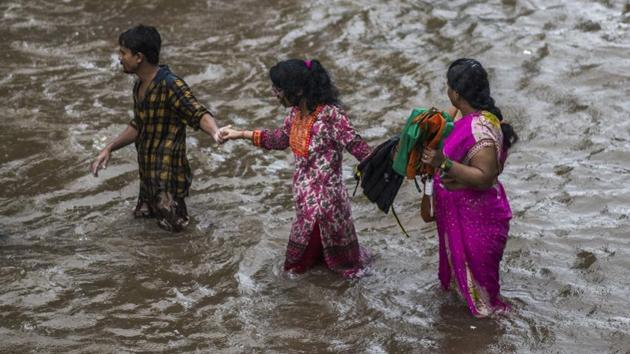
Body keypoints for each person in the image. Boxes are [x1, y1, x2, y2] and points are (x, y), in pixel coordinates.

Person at [220, 59, 372, 278]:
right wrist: (241, 134)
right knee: (329, 268)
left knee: (296, 271)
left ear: (298, 90)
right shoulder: (295, 114)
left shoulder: (330, 115)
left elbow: (358, 147)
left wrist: (384, 167)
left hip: (323, 207)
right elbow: (281, 138)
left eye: (278, 89)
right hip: (305, 203)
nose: (274, 93)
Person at [90, 25, 223, 232]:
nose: (119, 58)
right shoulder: (139, 85)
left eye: (123, 53)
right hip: (148, 178)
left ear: (139, 57)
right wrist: (109, 148)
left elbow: (198, 113)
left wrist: (215, 131)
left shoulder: (171, 85)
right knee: (146, 233)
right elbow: (139, 124)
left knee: (177, 235)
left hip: (168, 181)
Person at [421, 58, 518, 317]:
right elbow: (445, 121)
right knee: (461, 293)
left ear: (456, 93)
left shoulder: (479, 129)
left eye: (448, 87)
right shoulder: (466, 116)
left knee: (486, 304)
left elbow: (485, 177)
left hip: (477, 219)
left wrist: (444, 163)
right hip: (460, 215)